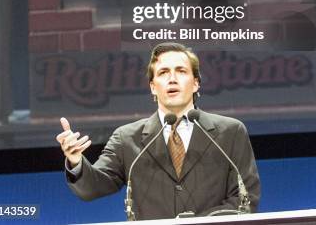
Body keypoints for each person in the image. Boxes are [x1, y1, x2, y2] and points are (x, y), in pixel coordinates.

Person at [56, 42, 260, 219]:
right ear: (153, 87)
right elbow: (93, 188)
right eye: (163, 73)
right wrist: (75, 161)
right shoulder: (127, 138)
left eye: (181, 71)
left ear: (196, 83)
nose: (172, 79)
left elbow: (245, 199)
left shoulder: (230, 132)